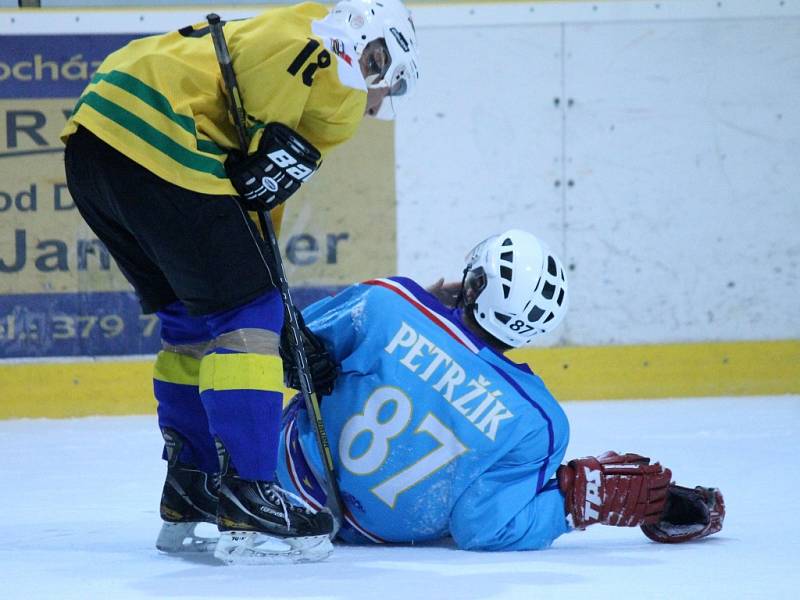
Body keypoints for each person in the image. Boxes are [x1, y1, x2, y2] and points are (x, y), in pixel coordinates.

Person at [60, 0, 419, 565]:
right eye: (387, 83)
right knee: (245, 312)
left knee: (192, 318)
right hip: (157, 135)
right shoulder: (323, 59)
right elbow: (257, 183)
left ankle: (191, 486)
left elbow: (255, 193)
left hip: (96, 138)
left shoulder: (295, 33)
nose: (380, 104)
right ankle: (249, 490)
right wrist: (269, 308)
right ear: (374, 51)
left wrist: (275, 303)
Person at [275, 229, 726, 550]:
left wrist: (419, 298)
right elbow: (482, 527)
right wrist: (572, 501)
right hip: (380, 535)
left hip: (284, 485)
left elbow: (289, 342)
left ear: (473, 283)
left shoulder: (389, 304)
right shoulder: (537, 420)